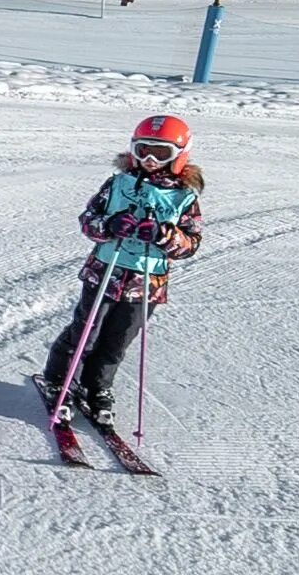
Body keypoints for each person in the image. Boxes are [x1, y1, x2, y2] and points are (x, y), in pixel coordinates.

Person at [41, 114, 204, 431]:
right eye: (143, 150)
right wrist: (109, 226)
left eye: (161, 153)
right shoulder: (118, 183)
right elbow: (88, 219)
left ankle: (97, 386)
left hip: (146, 282)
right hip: (105, 271)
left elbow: (191, 243)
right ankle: (60, 382)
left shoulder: (185, 197)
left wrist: (165, 236)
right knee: (85, 331)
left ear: (179, 156)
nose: (150, 160)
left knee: (117, 340)